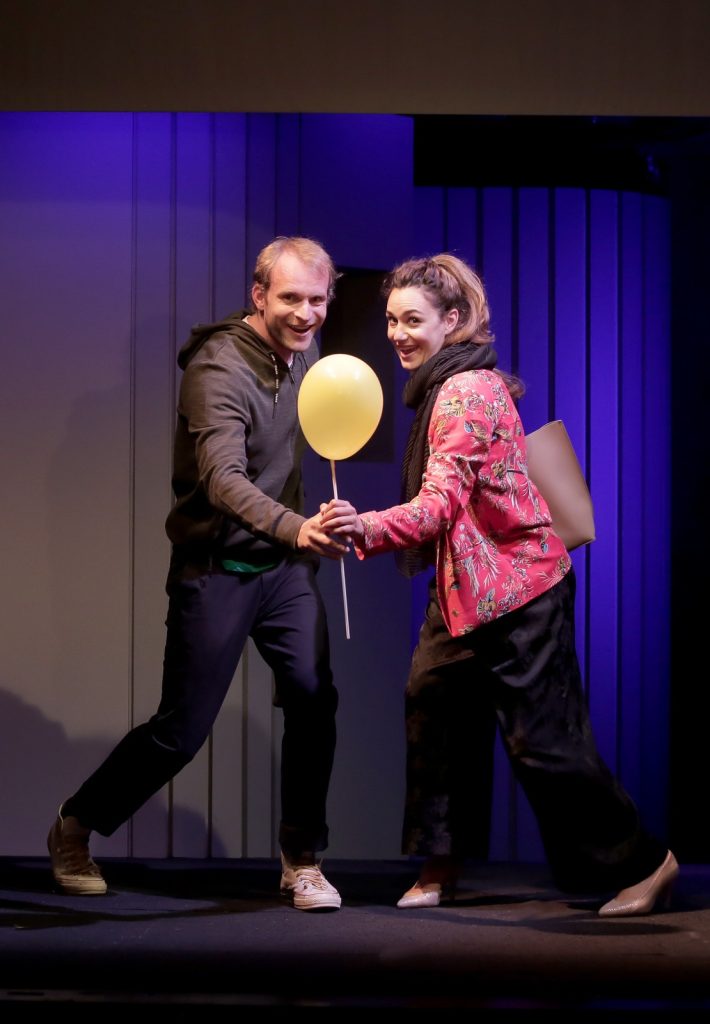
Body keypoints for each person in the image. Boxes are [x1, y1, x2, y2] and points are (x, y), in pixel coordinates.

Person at [320, 252, 678, 917]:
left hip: (520, 592)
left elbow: (438, 505)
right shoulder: (440, 389)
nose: (398, 334)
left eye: (414, 320)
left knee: (543, 743)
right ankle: (440, 863)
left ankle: (646, 862)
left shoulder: (466, 391)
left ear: (453, 320)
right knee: (434, 708)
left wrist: (362, 528)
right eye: (393, 320)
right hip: (462, 593)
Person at [48, 236, 349, 912]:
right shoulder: (216, 369)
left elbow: (315, 441)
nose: (306, 314)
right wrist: (294, 525)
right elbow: (222, 480)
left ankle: (302, 859)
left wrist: (319, 518)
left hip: (286, 569)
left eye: (318, 300)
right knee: (180, 730)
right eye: (292, 299)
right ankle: (74, 825)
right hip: (217, 564)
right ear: (258, 295)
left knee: (312, 698)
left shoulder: (313, 357)